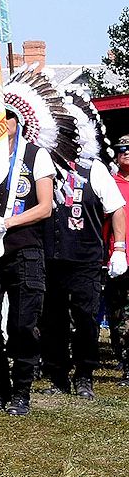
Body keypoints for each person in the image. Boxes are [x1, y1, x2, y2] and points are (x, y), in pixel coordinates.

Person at [0, 68, 62, 417]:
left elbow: (44, 206)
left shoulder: (34, 155)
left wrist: (8, 221)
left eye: (8, 117)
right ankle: (0, 384)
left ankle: (22, 389)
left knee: (23, 323)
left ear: (17, 121)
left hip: (25, 249)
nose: (3, 123)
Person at [40, 89, 126, 399]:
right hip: (51, 257)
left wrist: (118, 249)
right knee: (53, 320)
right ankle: (58, 376)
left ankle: (85, 375)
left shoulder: (95, 169)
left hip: (86, 259)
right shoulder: (44, 167)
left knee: (87, 319)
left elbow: (116, 208)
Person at [106, 134, 129, 386]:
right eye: (121, 149)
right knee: (117, 312)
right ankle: (121, 356)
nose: (126, 153)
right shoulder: (110, 183)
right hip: (117, 257)